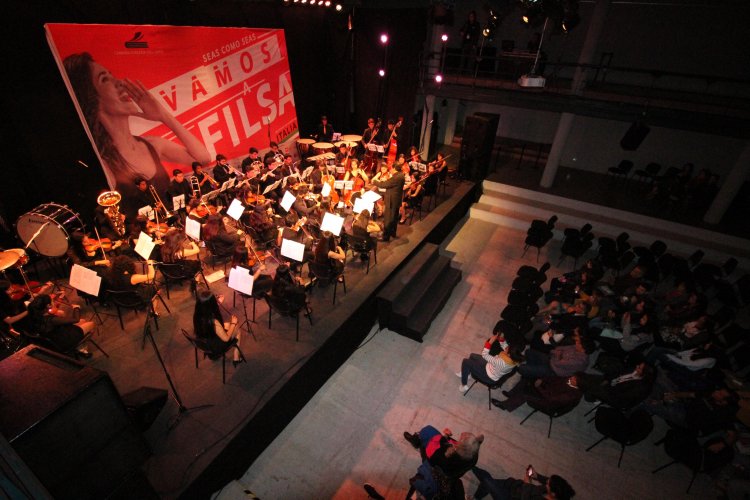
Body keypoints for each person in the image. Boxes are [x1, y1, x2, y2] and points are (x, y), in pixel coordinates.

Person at [63, 52, 210, 204]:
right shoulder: (106, 165)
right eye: (105, 79)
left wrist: (164, 116)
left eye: (111, 75)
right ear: (91, 98)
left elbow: (203, 158)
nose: (119, 83)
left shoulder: (151, 144)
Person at [26, 293, 95, 358]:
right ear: (48, 306)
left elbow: (58, 318)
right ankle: (81, 348)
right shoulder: (52, 320)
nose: (53, 302)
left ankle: (80, 348)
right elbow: (75, 319)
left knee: (83, 321)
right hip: (63, 341)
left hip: (53, 339)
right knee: (91, 324)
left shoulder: (35, 316)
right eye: (51, 301)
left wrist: (55, 306)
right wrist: (76, 308)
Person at [458, 327, 522, 392]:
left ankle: (464, 385)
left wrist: (490, 342)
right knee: (472, 356)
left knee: (466, 362)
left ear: (509, 354)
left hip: (488, 376)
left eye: (508, 348)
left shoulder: (501, 362)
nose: (506, 347)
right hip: (490, 367)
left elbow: (485, 354)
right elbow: (505, 347)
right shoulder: (514, 359)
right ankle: (466, 373)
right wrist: (501, 339)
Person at [193, 290, 244, 365]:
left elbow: (209, 309)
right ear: (212, 304)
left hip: (204, 340)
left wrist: (218, 303)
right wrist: (233, 323)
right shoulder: (214, 322)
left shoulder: (198, 314)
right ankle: (236, 358)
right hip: (215, 346)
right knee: (237, 329)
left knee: (226, 324)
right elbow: (226, 339)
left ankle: (236, 357)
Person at [472, 465, 576, 500]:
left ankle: (470, 464)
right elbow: (547, 480)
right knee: (488, 483)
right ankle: (470, 465)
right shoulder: (560, 491)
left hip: (509, 498)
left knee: (487, 481)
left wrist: (527, 483)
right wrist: (536, 476)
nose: (546, 483)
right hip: (514, 485)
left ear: (553, 494)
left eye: (548, 484)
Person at [372, 163, 405, 242]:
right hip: (396, 200)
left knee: (388, 218)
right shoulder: (401, 175)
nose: (390, 170)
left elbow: (384, 185)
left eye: (391, 169)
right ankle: (392, 233)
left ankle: (385, 237)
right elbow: (391, 184)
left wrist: (375, 182)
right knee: (394, 217)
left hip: (391, 201)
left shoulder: (396, 177)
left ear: (394, 169)